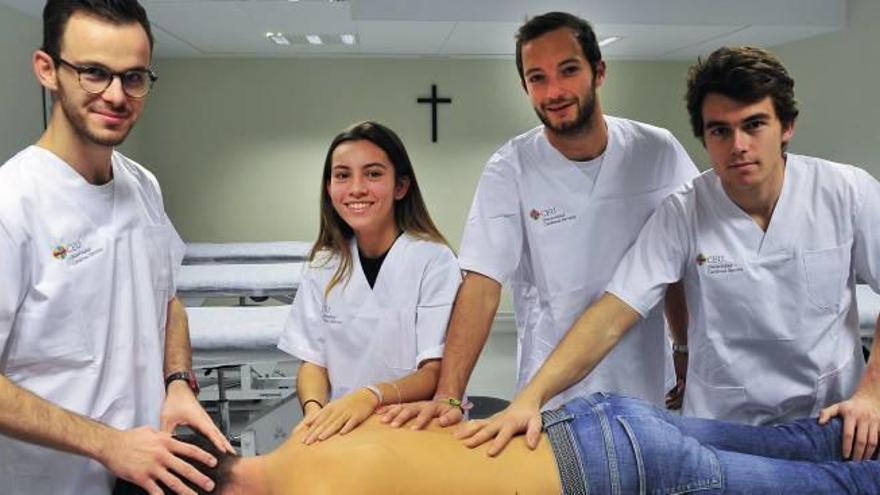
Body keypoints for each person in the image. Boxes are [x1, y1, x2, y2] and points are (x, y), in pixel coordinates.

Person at [463, 46, 880, 461]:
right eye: (719, 130)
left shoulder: (845, 191)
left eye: (754, 125)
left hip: (830, 422)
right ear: (703, 136)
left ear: (786, 126)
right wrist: (530, 397)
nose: (738, 145)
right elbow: (612, 313)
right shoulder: (684, 211)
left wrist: (872, 393)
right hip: (722, 433)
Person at [383, 11, 698, 429]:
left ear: (598, 71)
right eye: (538, 78)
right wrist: (449, 395)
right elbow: (481, 285)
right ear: (524, 87)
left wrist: (683, 346)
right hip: (550, 390)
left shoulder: (657, 151)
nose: (554, 91)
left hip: (644, 378)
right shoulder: (510, 167)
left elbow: (679, 259)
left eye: (568, 71)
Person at [0, 1, 232, 494]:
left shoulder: (143, 186)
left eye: (133, 78)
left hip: (147, 476)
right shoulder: (12, 205)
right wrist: (107, 444)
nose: (116, 94)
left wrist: (177, 383)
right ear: (47, 69)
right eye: (94, 73)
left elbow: (168, 300)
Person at [115, 392, 880, 495]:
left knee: (845, 489)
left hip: (613, 468)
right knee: (800, 444)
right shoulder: (314, 428)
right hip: (590, 417)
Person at [277, 121, 462, 444]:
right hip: (344, 430)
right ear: (329, 187)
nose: (356, 188)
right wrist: (314, 412)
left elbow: (436, 372)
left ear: (401, 186)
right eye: (342, 175)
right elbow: (312, 362)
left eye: (373, 174)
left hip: (415, 428)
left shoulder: (434, 260)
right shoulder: (323, 263)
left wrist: (370, 396)